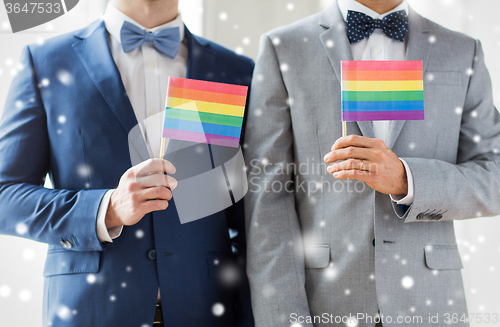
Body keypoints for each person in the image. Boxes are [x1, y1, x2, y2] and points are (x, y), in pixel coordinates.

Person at [244, 0, 500, 326]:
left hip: (430, 306)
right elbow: (267, 200)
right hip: (324, 304)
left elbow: (495, 175)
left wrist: (408, 180)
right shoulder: (284, 48)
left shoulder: (463, 50)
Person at [0, 0, 254, 326]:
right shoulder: (47, 61)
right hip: (91, 312)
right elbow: (6, 197)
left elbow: (252, 218)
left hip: (207, 312)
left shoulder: (233, 70)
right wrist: (106, 209)